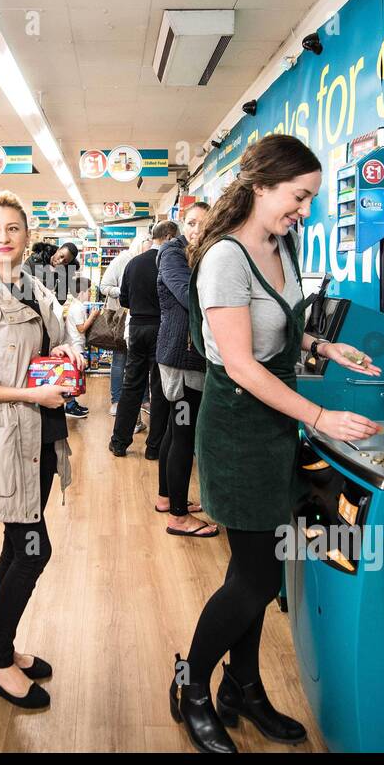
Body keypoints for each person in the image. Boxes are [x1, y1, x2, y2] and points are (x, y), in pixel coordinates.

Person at [169, 135, 383, 754]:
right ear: (261, 185)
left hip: (274, 426)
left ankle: (244, 687)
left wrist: (322, 347)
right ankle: (192, 688)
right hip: (238, 427)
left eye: (310, 199)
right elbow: (239, 363)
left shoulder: (279, 243)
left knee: (255, 569)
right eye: (299, 197)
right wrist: (321, 416)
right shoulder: (224, 259)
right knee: (255, 579)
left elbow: (277, 329)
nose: (305, 211)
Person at [0, 191, 82, 710]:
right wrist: (30, 393)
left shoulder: (33, 286)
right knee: (33, 549)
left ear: (27, 235)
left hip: (41, 439)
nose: (3, 239)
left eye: (13, 229)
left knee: (16, 544)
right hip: (8, 442)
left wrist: (68, 349)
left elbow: (57, 336)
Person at [155, 202, 215, 538]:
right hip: (182, 358)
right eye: (191, 223)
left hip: (183, 356)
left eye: (202, 225)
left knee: (173, 432)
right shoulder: (173, 253)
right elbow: (187, 295)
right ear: (182, 224)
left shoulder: (197, 253)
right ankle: (178, 517)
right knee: (183, 433)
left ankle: (168, 498)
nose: (195, 230)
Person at [108, 221, 177, 458]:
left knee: (131, 385)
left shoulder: (133, 263)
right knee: (159, 388)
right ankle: (154, 448)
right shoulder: (171, 262)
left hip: (137, 327)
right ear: (169, 237)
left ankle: (119, 442)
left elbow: (124, 298)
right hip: (162, 328)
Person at [99, 233, 149, 415]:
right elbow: (103, 286)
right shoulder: (123, 260)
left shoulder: (148, 261)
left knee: (141, 360)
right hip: (121, 317)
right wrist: (125, 290)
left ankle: (144, 400)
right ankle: (116, 400)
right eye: (147, 245)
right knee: (120, 358)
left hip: (140, 318)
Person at [62, 275, 95, 419]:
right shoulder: (77, 308)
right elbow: (81, 328)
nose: (90, 293)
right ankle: (70, 406)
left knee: (75, 377)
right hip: (75, 346)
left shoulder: (76, 306)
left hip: (75, 345)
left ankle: (73, 403)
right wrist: (93, 316)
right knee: (73, 378)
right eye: (88, 290)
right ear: (81, 291)